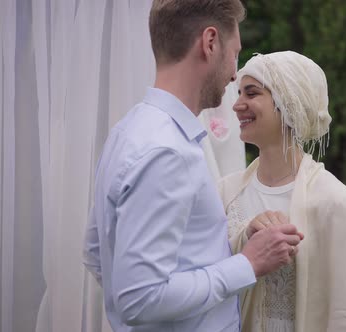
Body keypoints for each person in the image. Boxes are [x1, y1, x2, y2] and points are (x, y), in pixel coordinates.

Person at [83, 2, 304, 331]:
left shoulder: (127, 131)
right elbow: (139, 297)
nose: (234, 73)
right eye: (234, 53)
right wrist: (248, 264)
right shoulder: (167, 151)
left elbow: (96, 251)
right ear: (210, 42)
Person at [218, 51, 346, 332]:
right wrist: (245, 237)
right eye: (238, 94)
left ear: (288, 102)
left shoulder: (335, 203)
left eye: (252, 93)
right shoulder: (225, 192)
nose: (237, 105)